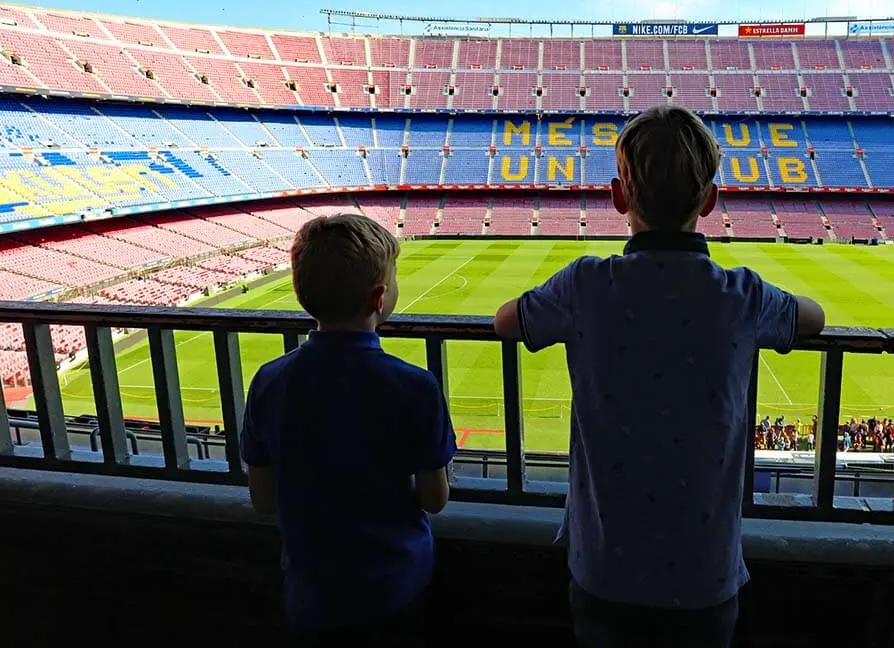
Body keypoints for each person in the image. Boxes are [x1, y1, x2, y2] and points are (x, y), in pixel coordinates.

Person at [493, 106, 825, 648]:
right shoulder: (742, 293)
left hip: (604, 570)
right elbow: (812, 318)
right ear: (710, 201)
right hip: (705, 576)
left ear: (619, 197)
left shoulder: (586, 283)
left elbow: (507, 321)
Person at [240, 214, 456, 645]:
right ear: (379, 298)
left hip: (311, 594)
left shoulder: (269, 379)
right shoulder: (415, 385)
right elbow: (435, 500)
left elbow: (263, 500)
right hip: (397, 584)